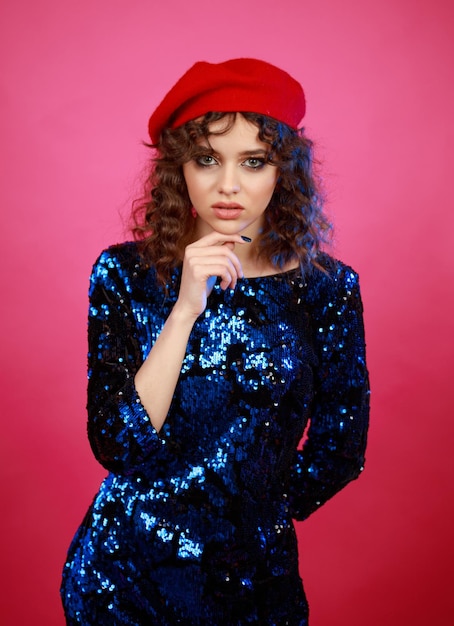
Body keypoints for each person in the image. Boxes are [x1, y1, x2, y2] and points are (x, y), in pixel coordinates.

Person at [61, 58, 370, 625]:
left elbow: (341, 449)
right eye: (207, 159)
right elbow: (116, 445)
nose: (228, 185)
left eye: (253, 162)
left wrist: (255, 513)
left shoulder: (327, 290)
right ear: (180, 170)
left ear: (284, 172)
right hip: (124, 579)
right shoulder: (123, 275)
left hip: (254, 582)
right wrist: (184, 309)